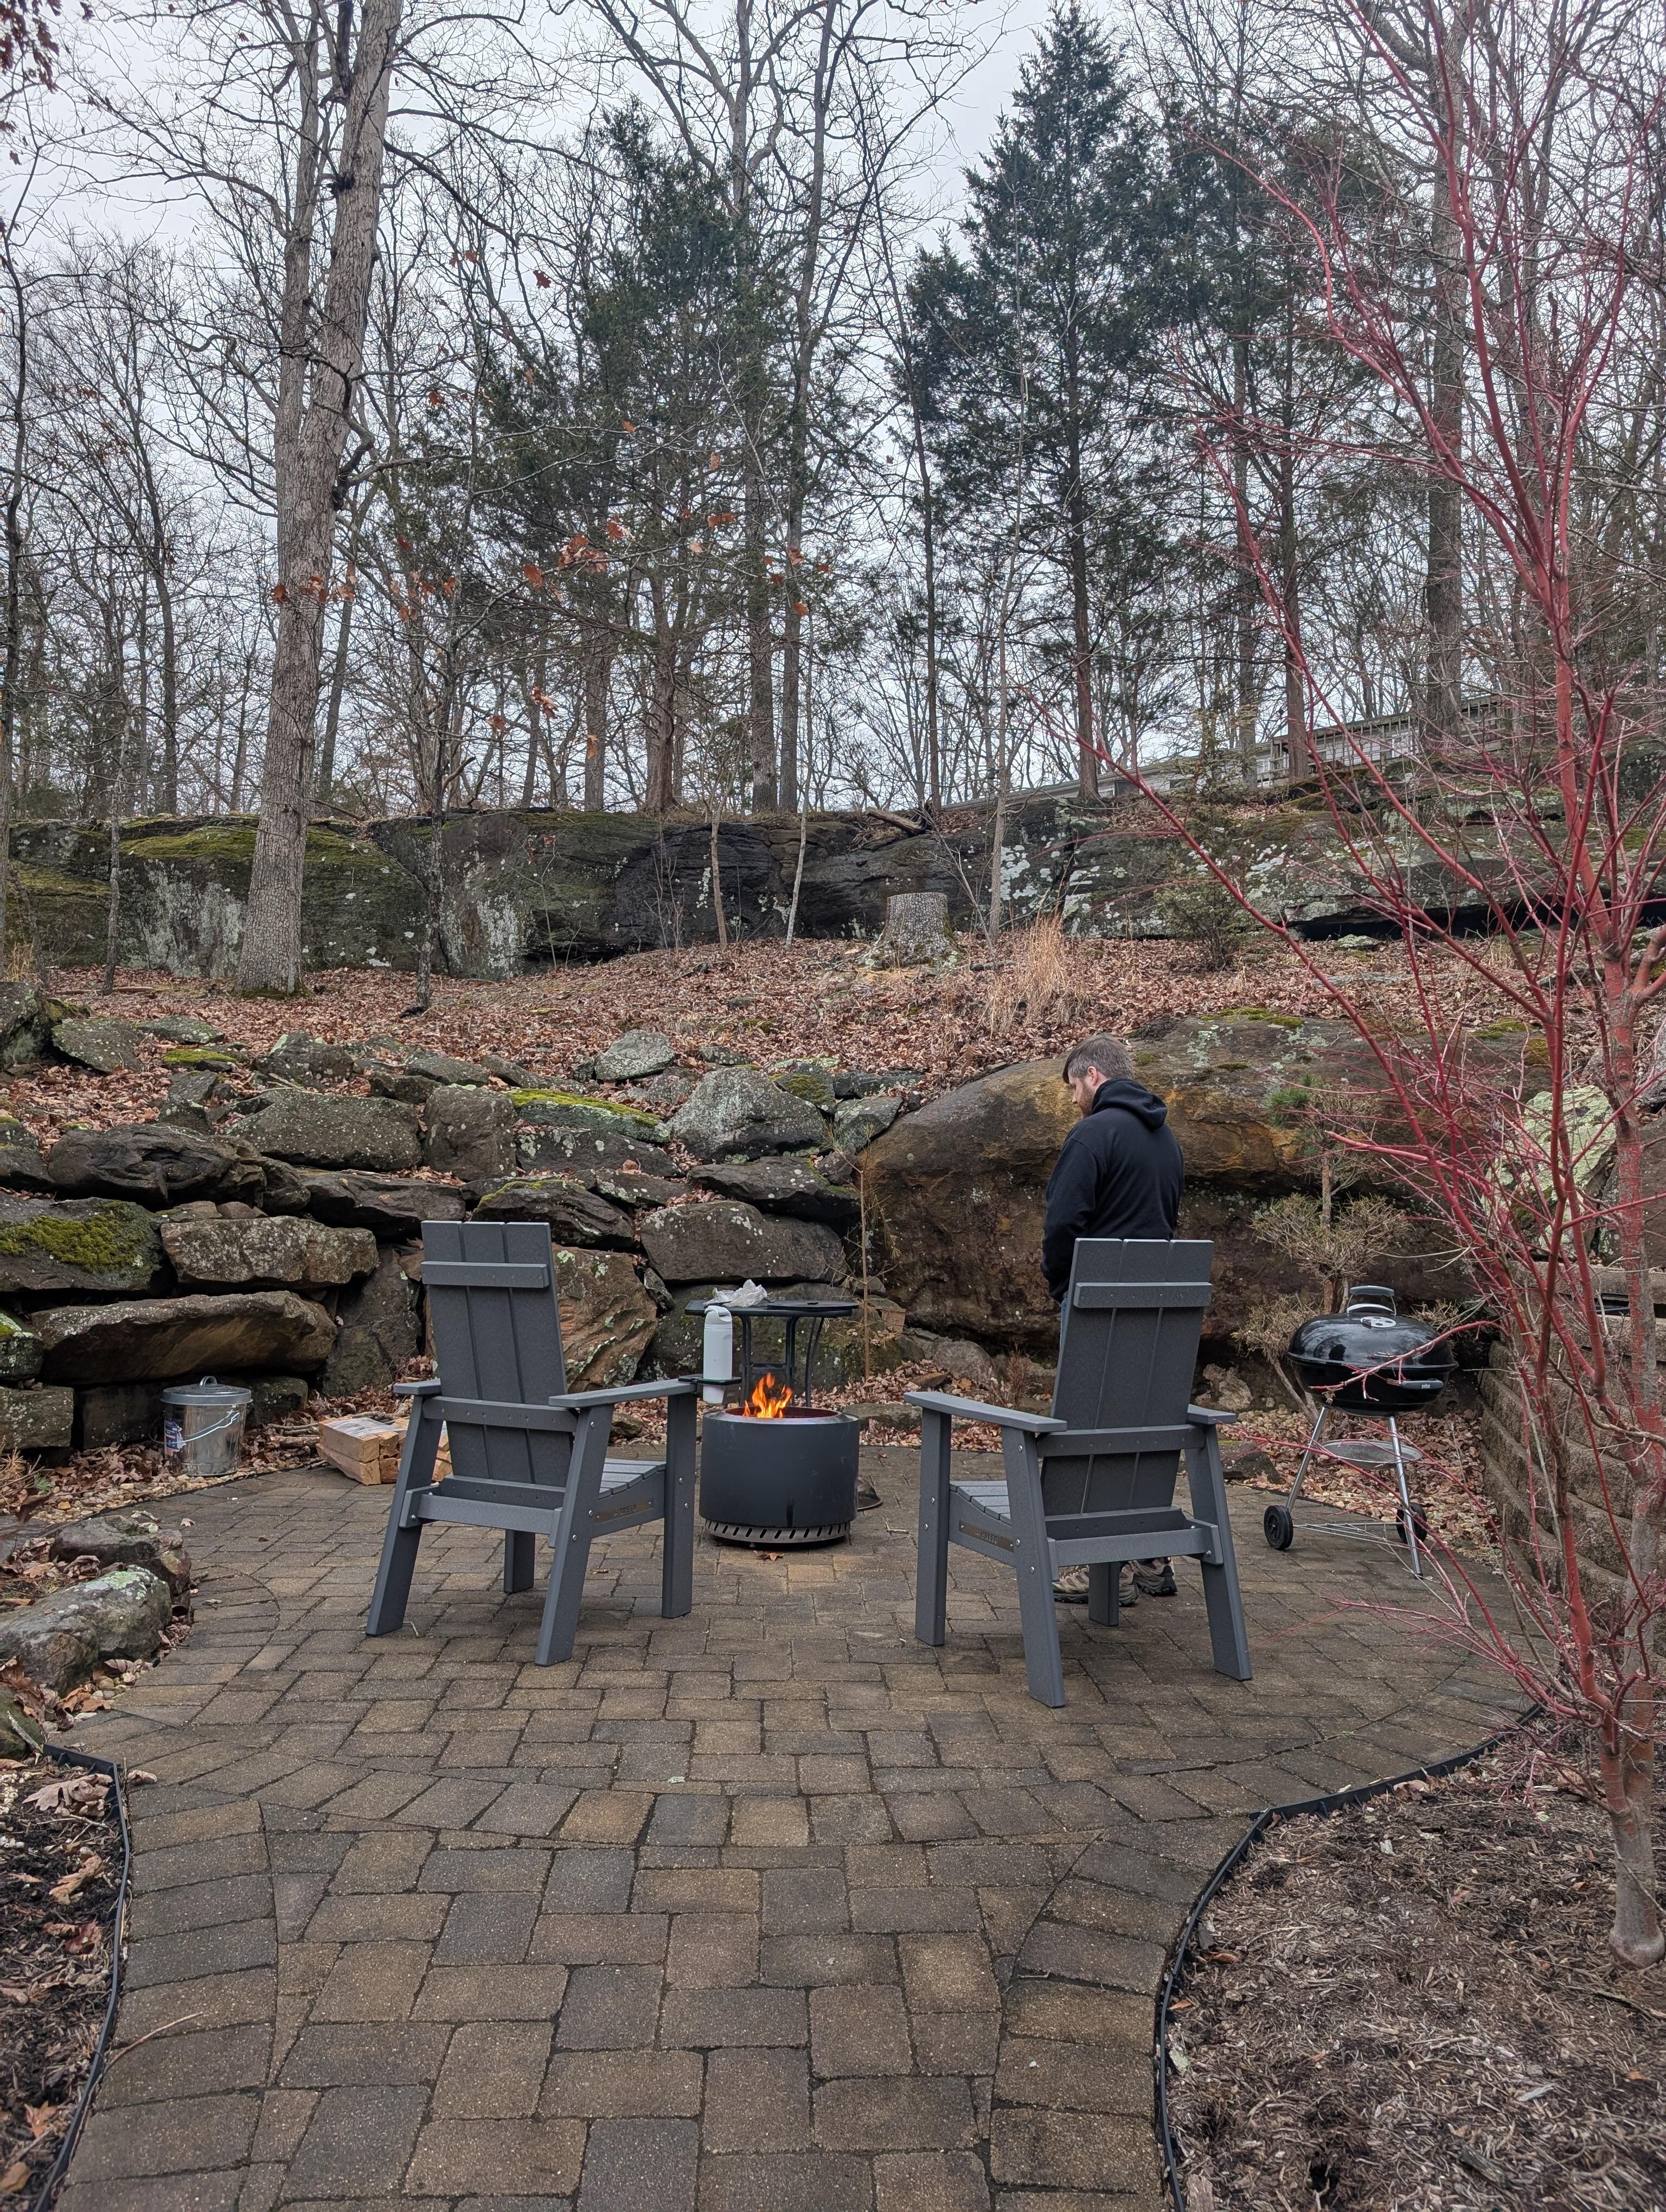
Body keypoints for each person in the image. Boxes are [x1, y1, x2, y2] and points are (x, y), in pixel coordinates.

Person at [1042, 1034, 1184, 1604]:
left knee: (1089, 1431)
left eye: (1074, 1088)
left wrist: (1062, 1286)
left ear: (1093, 1077)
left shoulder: (1093, 1134)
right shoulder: (1167, 1141)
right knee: (1142, 1426)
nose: (1074, 1100)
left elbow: (1062, 1224)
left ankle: (1094, 1566)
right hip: (1157, 1313)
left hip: (1098, 1310)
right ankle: (1149, 1556)